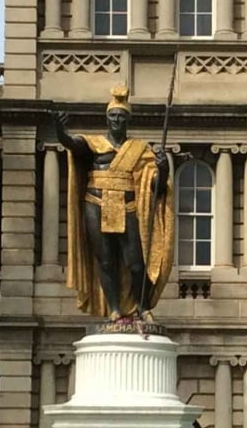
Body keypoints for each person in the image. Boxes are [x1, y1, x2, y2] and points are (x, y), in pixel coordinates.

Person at [54, 86, 174, 321]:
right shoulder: (94, 144)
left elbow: (156, 187)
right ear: (107, 119)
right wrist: (60, 130)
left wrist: (163, 168)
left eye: (121, 116)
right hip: (95, 204)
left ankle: (142, 306)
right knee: (106, 260)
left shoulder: (140, 150)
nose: (116, 120)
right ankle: (114, 310)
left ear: (127, 119)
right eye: (112, 116)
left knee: (136, 262)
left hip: (127, 206)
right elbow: (71, 143)